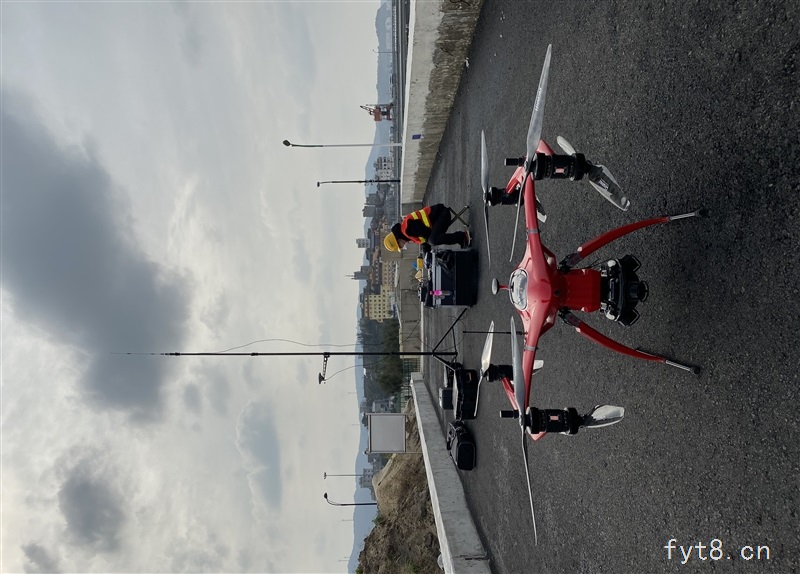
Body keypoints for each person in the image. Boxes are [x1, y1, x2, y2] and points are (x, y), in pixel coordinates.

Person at [383, 204, 471, 252]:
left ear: (399, 241)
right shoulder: (407, 233)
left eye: (400, 246)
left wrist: (428, 247)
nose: (403, 246)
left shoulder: (408, 228)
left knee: (433, 240)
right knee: (431, 240)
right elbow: (424, 239)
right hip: (438, 220)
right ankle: (461, 239)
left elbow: (427, 234)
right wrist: (426, 253)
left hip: (442, 214)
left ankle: (462, 237)